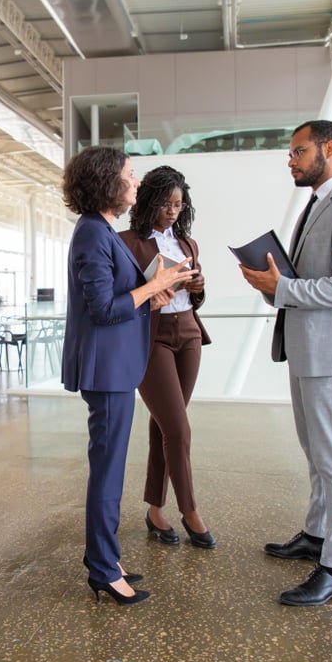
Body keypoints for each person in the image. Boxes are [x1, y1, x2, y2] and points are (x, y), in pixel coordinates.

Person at [239, 119, 332, 606]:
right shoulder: (318, 204)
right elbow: (302, 280)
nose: (291, 161)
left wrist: (284, 288)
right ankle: (317, 535)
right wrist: (271, 285)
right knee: (318, 456)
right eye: (291, 153)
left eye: (298, 151)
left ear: (329, 149)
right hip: (306, 349)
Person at [61, 146, 196, 606]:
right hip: (107, 369)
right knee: (108, 471)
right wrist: (155, 286)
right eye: (131, 175)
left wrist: (151, 295)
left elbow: (121, 296)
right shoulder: (92, 235)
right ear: (107, 182)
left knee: (110, 468)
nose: (136, 185)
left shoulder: (101, 231)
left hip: (116, 366)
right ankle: (102, 568)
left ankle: (106, 557)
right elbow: (102, 309)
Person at [118, 166, 215, 550]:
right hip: (151, 338)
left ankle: (156, 510)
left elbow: (195, 296)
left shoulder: (188, 245)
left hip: (188, 334)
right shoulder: (127, 242)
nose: (173, 211)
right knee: (179, 429)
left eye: (178, 204)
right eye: (165, 203)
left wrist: (199, 287)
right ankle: (190, 511)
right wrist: (153, 290)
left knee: (163, 426)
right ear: (148, 203)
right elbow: (130, 297)